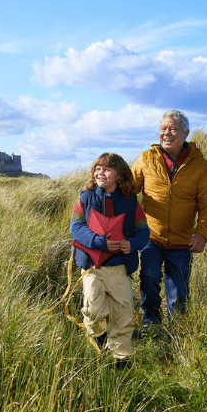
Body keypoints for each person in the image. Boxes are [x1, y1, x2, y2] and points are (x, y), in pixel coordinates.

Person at [131, 110, 207, 334]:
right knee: (148, 277)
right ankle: (151, 323)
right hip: (151, 236)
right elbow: (128, 192)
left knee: (179, 293)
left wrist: (202, 234)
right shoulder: (145, 159)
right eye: (162, 129)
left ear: (186, 133)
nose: (166, 133)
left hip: (182, 240)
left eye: (172, 129)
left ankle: (177, 332)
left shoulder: (201, 166)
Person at [71, 153, 150, 368]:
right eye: (97, 168)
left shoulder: (131, 201)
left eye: (106, 169)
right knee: (92, 311)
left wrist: (131, 244)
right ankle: (99, 338)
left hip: (119, 267)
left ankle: (121, 358)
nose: (100, 172)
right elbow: (76, 228)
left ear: (119, 174)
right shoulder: (85, 198)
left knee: (123, 313)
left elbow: (144, 231)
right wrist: (98, 242)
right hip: (92, 267)